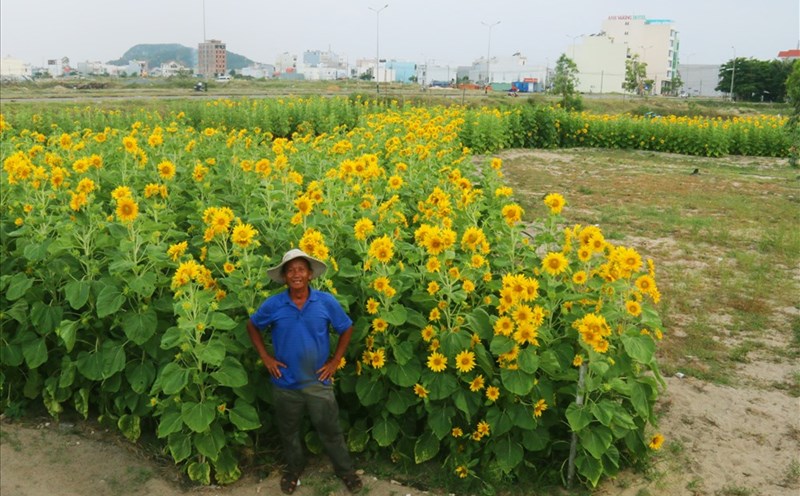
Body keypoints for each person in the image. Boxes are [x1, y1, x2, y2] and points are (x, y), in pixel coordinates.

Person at [247, 248, 363, 495]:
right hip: (285, 382)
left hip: (318, 381)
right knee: (289, 431)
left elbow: (347, 327)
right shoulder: (274, 304)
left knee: (330, 429)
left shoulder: (325, 301)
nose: (296, 274)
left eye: (301, 269)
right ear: (284, 277)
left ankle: (346, 471)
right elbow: (252, 325)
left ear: (310, 274)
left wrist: (335, 361)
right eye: (290, 270)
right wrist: (266, 358)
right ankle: (293, 470)